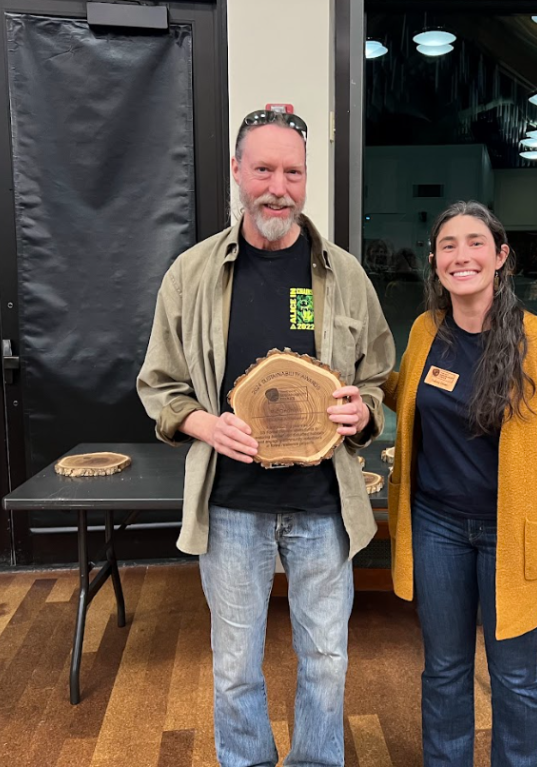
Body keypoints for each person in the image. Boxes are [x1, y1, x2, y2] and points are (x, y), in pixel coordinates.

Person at [137, 108, 395, 767]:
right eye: (263, 169)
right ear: (236, 172)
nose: (277, 186)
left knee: (327, 659)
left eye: (292, 171)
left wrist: (359, 414)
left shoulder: (344, 275)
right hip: (232, 505)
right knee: (233, 664)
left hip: (322, 504)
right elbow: (160, 386)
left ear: (306, 179)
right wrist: (204, 423)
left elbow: (378, 379)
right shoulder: (190, 276)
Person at [382, 201, 537, 766]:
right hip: (437, 526)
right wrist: (363, 388)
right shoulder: (427, 331)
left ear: (501, 257)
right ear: (435, 261)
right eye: (448, 245)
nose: (461, 255)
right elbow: (409, 396)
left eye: (476, 243)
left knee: (516, 674)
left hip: (514, 534)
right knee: (444, 667)